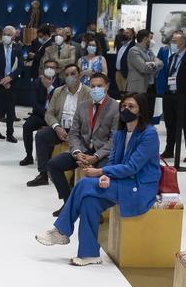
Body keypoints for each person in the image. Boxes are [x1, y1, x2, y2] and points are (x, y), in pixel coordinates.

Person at [35, 92, 160, 266]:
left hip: (137, 186)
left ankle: (62, 230)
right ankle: (89, 254)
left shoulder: (149, 134)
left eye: (131, 106)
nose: (126, 109)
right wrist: (106, 176)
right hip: (120, 181)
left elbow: (132, 167)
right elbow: (115, 161)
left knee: (85, 183)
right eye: (123, 106)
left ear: (140, 111)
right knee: (90, 201)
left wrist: (101, 171)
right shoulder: (120, 133)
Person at [45, 73, 119, 212]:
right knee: (53, 165)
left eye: (99, 86)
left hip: (103, 154)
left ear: (107, 87)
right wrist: (77, 152)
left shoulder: (115, 108)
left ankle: (95, 210)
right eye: (93, 86)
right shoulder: (83, 106)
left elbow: (114, 140)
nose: (95, 89)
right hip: (82, 151)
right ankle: (69, 203)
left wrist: (96, 156)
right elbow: (74, 133)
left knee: (97, 174)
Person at [28, 62, 85, 187]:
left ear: (79, 75)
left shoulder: (88, 92)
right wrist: (57, 127)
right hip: (61, 127)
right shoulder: (58, 91)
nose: (70, 77)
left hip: (79, 130)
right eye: (67, 75)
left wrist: (75, 132)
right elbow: (49, 114)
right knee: (41, 136)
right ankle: (43, 174)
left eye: (73, 74)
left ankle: (72, 176)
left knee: (82, 141)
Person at [160, 31, 186, 162]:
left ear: (183, 42)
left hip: (182, 97)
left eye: (174, 41)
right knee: (169, 123)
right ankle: (169, 149)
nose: (172, 43)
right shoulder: (172, 57)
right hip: (169, 95)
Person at [20, 60, 59, 166]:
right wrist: (46, 114)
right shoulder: (37, 82)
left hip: (55, 117)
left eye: (53, 67)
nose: (50, 69)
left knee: (52, 131)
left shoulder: (60, 83)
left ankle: (49, 158)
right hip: (40, 114)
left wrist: (50, 88)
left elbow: (59, 103)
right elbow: (34, 103)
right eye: (47, 67)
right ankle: (28, 156)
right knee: (27, 127)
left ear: (57, 70)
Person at [0, 25, 22, 143]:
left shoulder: (18, 49)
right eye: (4, 34)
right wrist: (2, 80)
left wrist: (10, 78)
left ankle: (10, 134)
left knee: (10, 110)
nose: (5, 36)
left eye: (8, 34)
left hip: (12, 84)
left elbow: (20, 67)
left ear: (13, 36)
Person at [125, 29, 159, 94]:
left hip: (150, 85)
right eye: (151, 38)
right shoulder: (134, 51)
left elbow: (160, 64)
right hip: (138, 86)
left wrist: (151, 64)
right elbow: (143, 68)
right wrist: (153, 64)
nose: (152, 41)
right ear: (145, 39)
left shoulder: (149, 51)